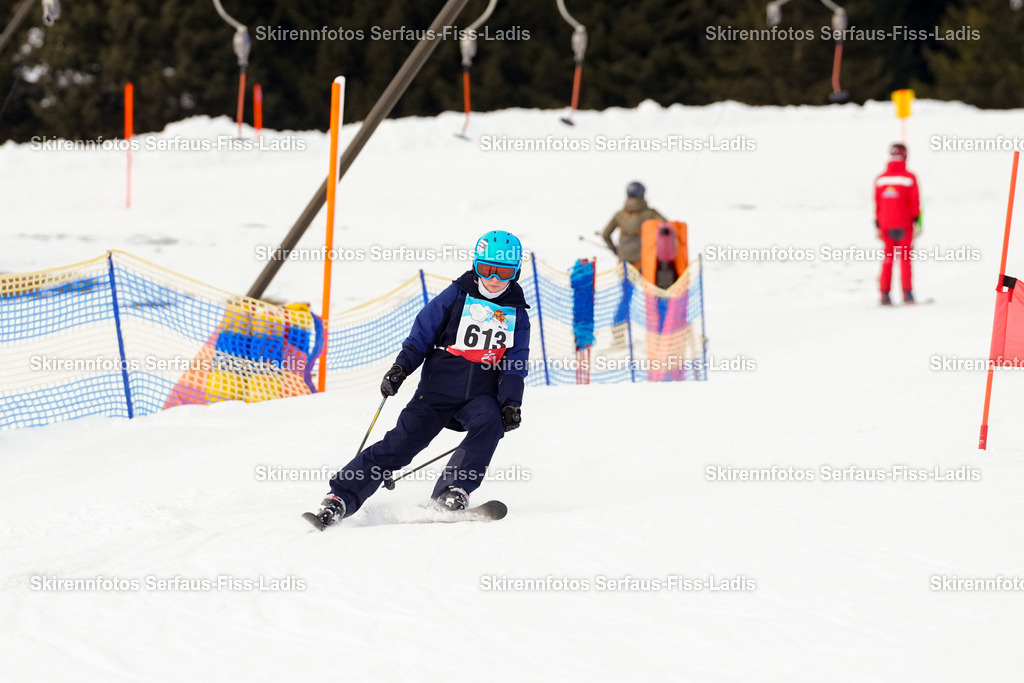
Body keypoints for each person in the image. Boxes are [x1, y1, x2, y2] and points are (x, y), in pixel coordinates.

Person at [309, 230, 531, 527]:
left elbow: (516, 361)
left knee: (490, 422)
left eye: (503, 272)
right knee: (399, 444)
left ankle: (453, 491)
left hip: (480, 395)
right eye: (486, 269)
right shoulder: (457, 295)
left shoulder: (517, 313)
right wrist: (401, 368)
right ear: (476, 266)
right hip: (437, 392)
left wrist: (510, 402)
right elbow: (422, 334)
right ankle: (340, 498)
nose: (493, 278)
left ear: (515, 273)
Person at [874, 143, 921, 305]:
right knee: (905, 258)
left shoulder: (880, 179)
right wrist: (917, 221)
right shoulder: (909, 178)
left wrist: (877, 225)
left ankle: (884, 293)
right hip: (904, 225)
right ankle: (907, 293)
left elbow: (877, 203)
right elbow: (915, 202)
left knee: (888, 258)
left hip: (885, 225)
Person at [601, 181, 666, 267]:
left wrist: (614, 249)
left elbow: (605, 234)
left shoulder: (619, 215)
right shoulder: (650, 213)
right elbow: (666, 226)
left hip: (623, 260)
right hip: (643, 260)